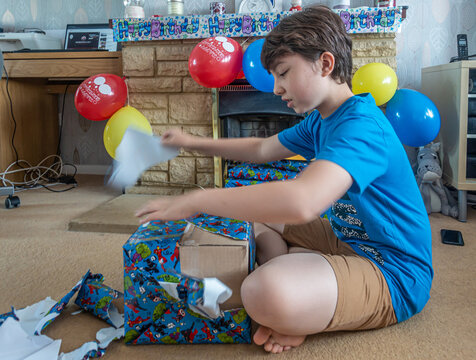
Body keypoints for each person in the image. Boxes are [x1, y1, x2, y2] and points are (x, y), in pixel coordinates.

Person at [136, 5, 433, 354]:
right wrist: (190, 141)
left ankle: (299, 298)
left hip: (393, 272)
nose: (275, 88)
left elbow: (302, 202)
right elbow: (262, 148)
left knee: (259, 293)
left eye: (283, 73)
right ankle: (304, 288)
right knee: (254, 212)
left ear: (325, 64)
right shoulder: (323, 118)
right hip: (345, 238)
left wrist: (195, 200)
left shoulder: (362, 127)